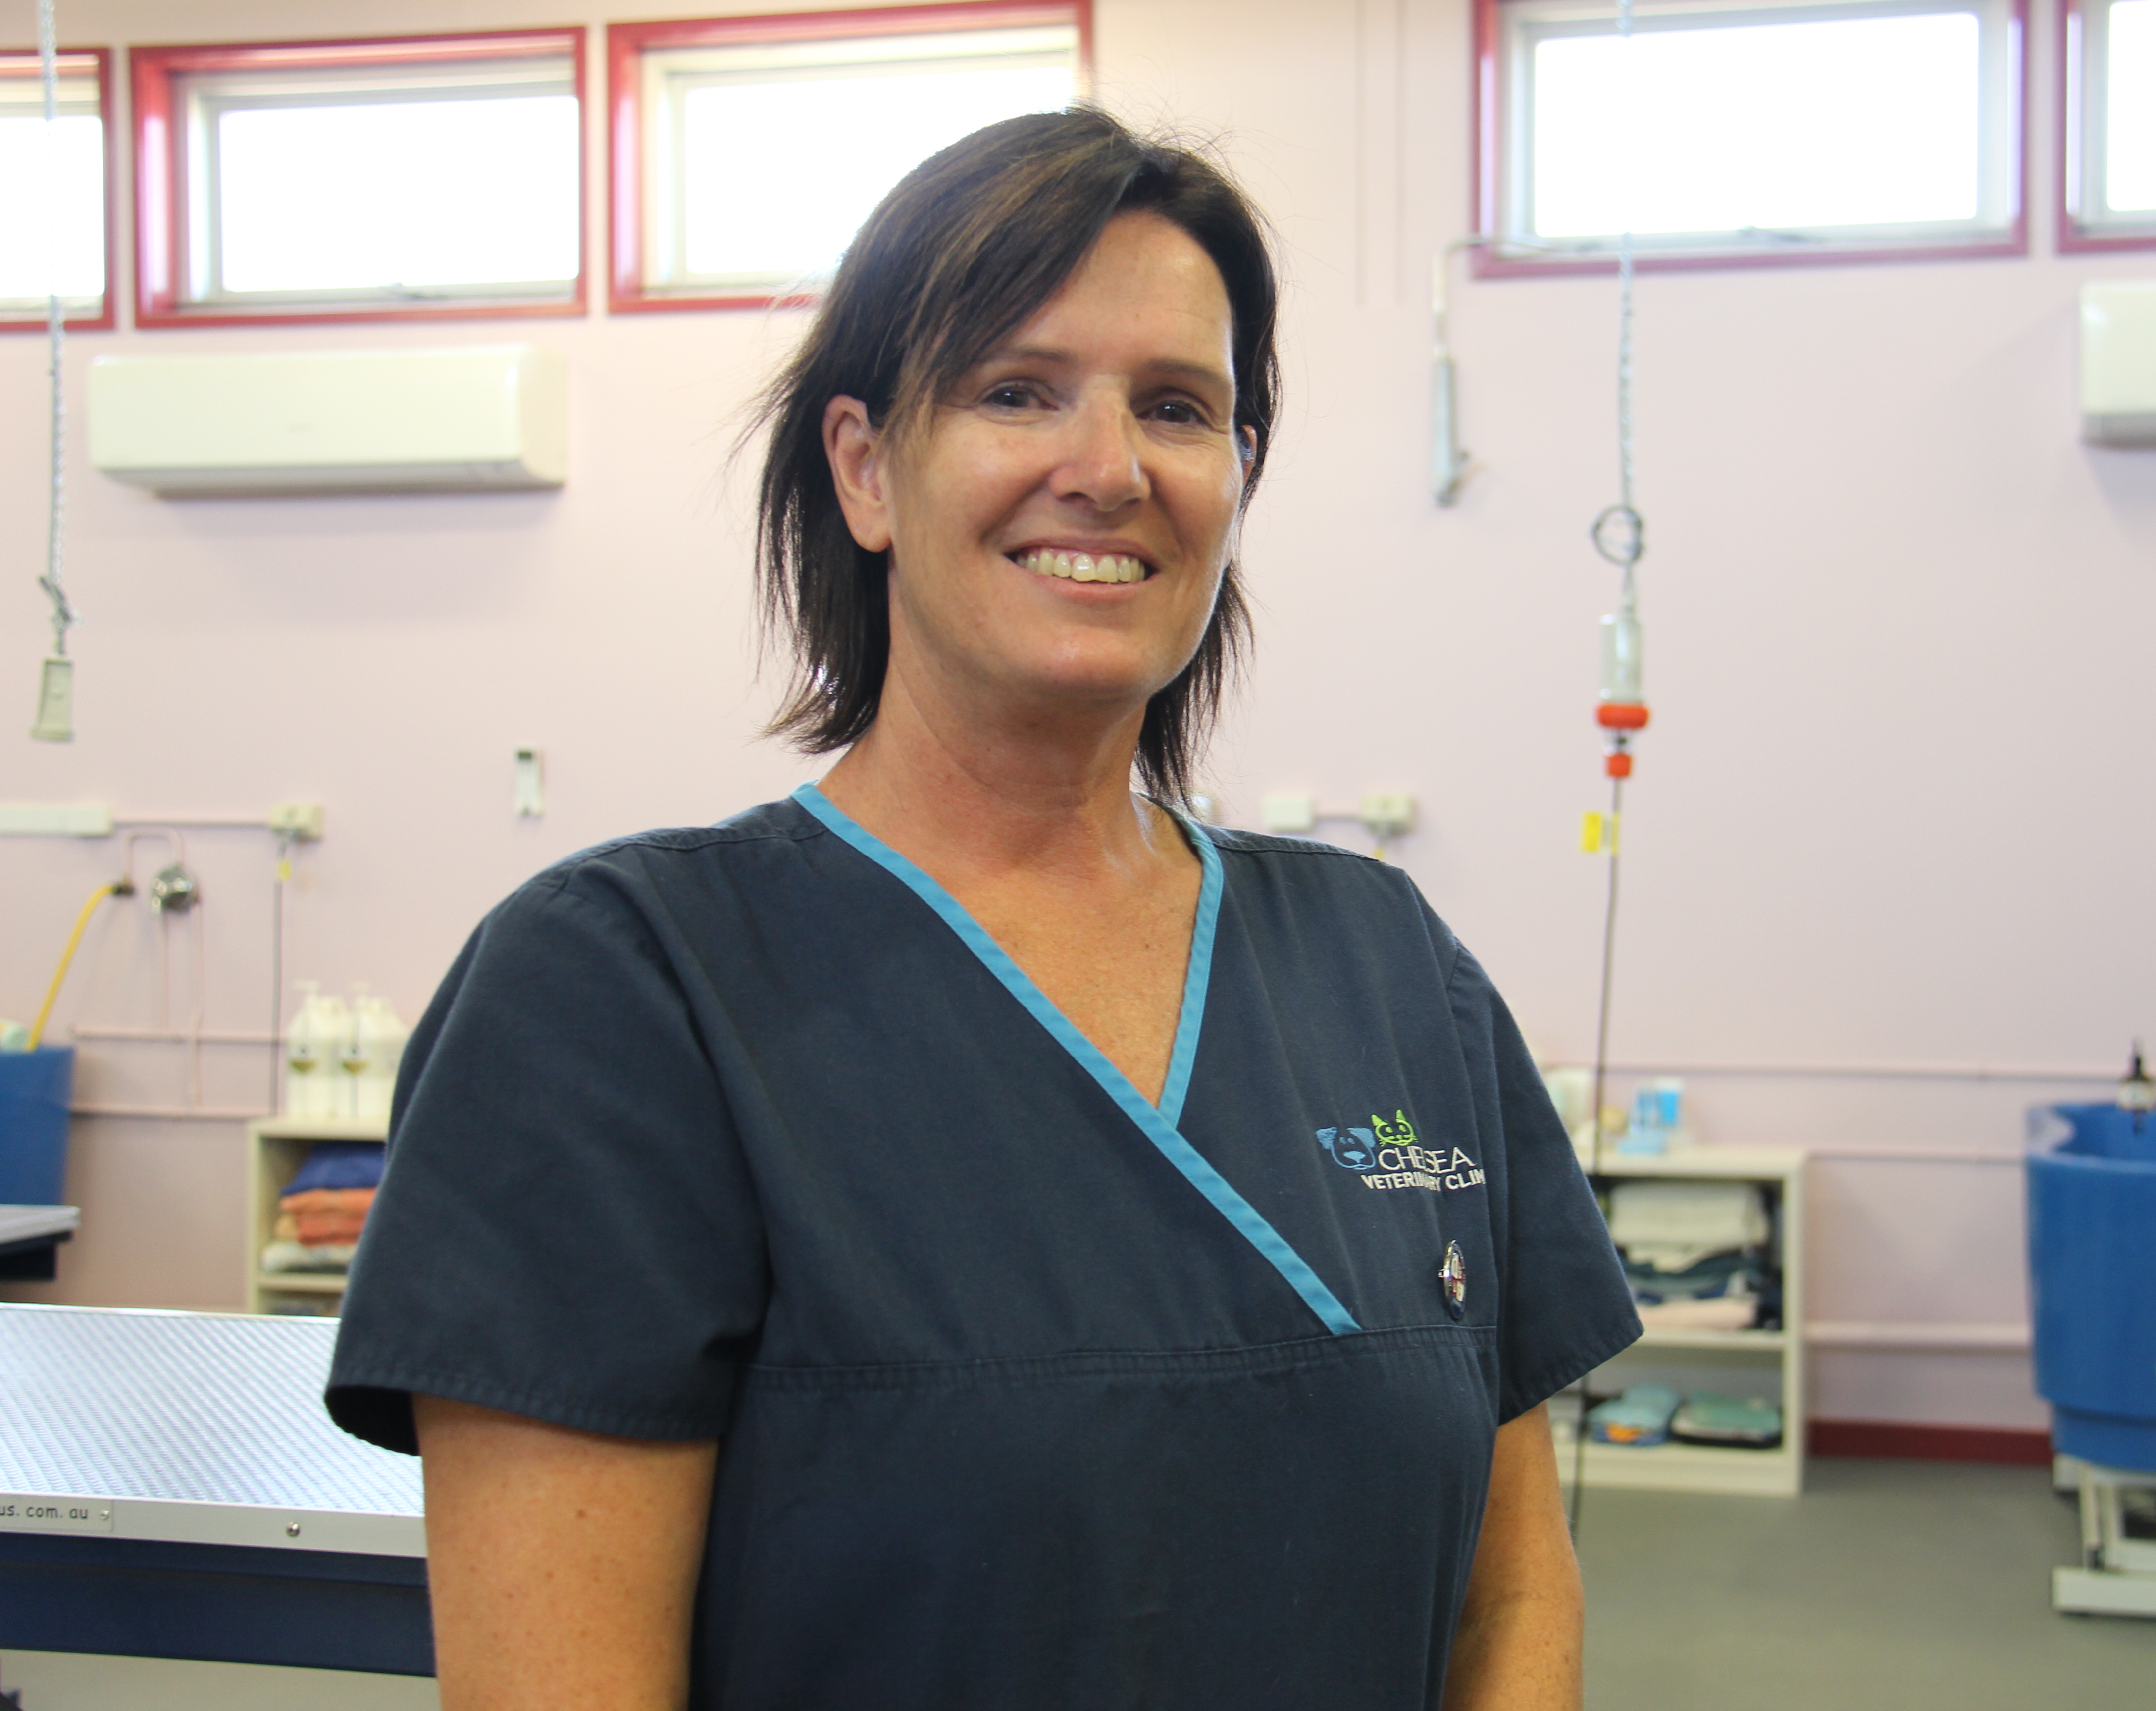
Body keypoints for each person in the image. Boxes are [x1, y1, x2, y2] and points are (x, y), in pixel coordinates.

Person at [326, 107, 1640, 1711]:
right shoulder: (623, 995)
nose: (1108, 471)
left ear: (1233, 481)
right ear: (867, 469)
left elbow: (1515, 1601)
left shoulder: (1388, 972)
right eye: (1018, 391)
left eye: (1178, 408)